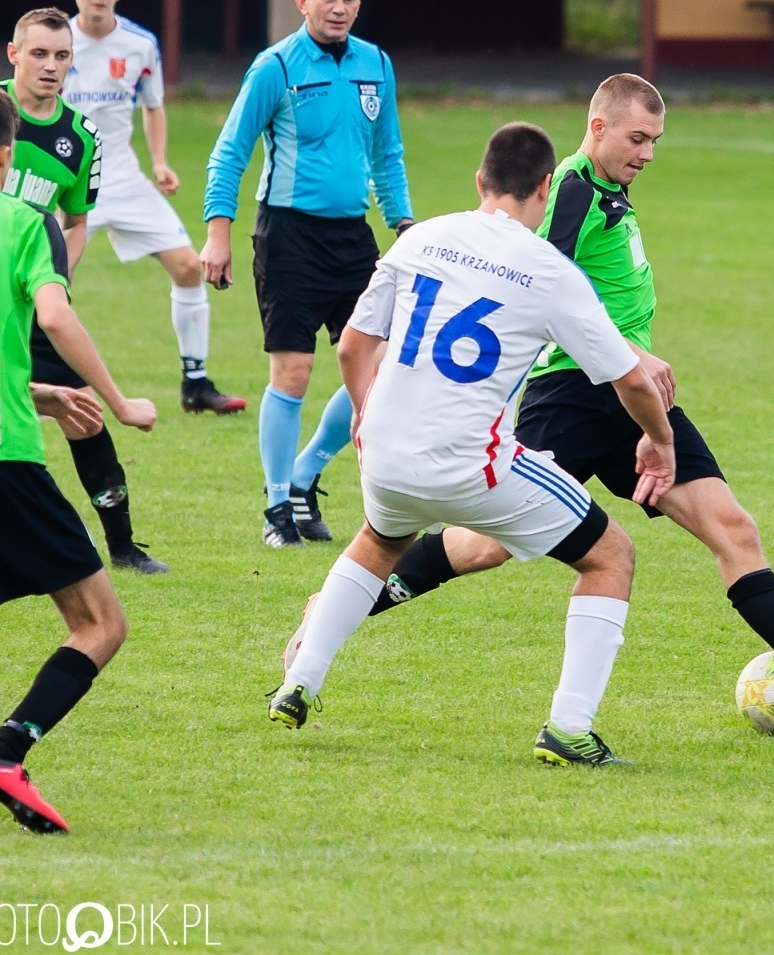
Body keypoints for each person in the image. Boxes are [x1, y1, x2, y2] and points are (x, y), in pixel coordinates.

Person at [313, 74, 774, 728]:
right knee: (488, 545)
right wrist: (631, 348)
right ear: (597, 128)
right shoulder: (570, 187)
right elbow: (538, 280)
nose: (648, 153)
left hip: (629, 403)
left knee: (732, 526)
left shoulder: (608, 188)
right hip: (571, 393)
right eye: (637, 137)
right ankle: (345, 604)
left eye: (655, 140)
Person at [268, 122, 676, 768]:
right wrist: (659, 438)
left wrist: (365, 408)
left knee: (377, 542)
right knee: (611, 555)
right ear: (546, 187)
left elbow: (351, 345)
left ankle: (298, 683)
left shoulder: (422, 237)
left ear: (480, 182)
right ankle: (569, 729)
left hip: (385, 449)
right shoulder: (548, 269)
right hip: (472, 464)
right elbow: (630, 377)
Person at [0, 81, 157, 833]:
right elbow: (54, 312)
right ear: (8, 155)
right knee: (100, 622)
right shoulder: (25, 218)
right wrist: (114, 399)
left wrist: (42, 392)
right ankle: (5, 753)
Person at [201, 0, 413, 548]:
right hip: (288, 235)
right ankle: (276, 509)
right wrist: (218, 233)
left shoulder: (376, 64)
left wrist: (404, 223)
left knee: (374, 370)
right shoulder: (275, 66)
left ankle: (305, 474)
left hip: (354, 238)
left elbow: (387, 153)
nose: (339, 8)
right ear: (302, 2)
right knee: (293, 373)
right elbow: (230, 152)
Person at [0, 8, 168, 575]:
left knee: (82, 413)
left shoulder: (80, 137)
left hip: (31, 299)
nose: (50, 66)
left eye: (61, 56)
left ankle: (121, 545)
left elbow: (75, 223)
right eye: (38, 53)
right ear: (13, 54)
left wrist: (54, 281)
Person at [63, 0, 245, 416]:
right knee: (51, 282)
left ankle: (196, 384)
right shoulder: (54, 41)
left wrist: (160, 161)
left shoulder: (140, 44)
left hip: (122, 177)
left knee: (188, 267)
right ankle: (36, 378)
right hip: (67, 180)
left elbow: (153, 105)